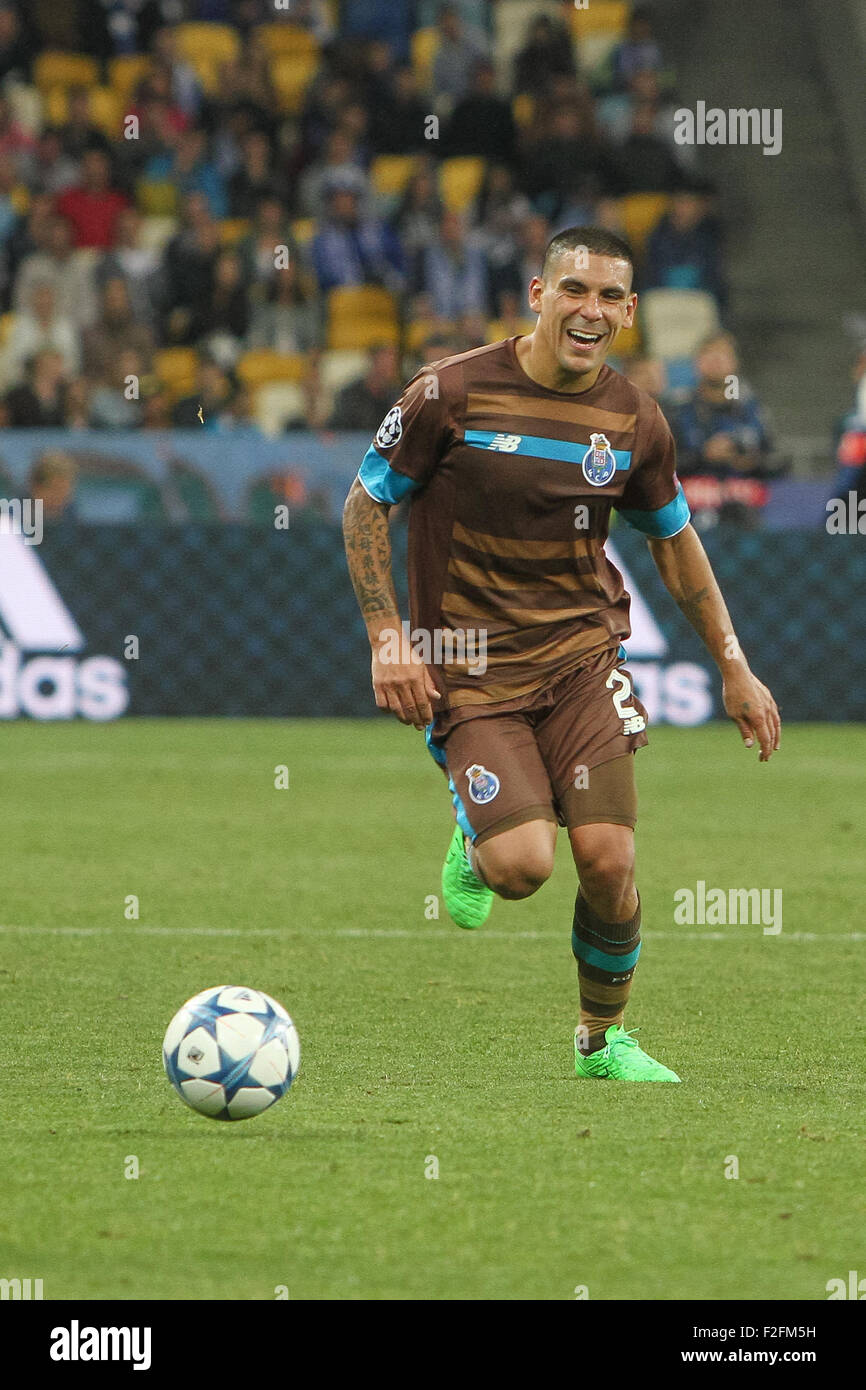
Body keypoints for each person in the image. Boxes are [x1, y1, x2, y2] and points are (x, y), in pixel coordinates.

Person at [342, 225, 780, 1084]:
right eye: (574, 290)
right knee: (521, 869)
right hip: (468, 668)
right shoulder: (448, 394)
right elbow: (364, 504)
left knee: (610, 858)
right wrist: (388, 636)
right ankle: (477, 844)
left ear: (630, 312)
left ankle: (600, 1038)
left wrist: (733, 661)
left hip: (582, 660)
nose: (592, 310)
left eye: (611, 296)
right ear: (539, 296)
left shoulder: (635, 419)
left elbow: (675, 543)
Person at [671, 333, 773, 478]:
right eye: (708, 353)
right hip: (690, 495)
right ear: (696, 362)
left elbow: (776, 459)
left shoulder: (751, 408)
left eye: (723, 353)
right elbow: (662, 464)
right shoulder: (677, 409)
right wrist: (703, 457)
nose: (715, 359)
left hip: (744, 493)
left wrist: (752, 462)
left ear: (735, 362)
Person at [327, 342, 400, 430]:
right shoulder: (350, 395)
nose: (390, 365)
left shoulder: (397, 397)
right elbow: (337, 429)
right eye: (385, 360)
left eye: (393, 361)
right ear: (373, 361)